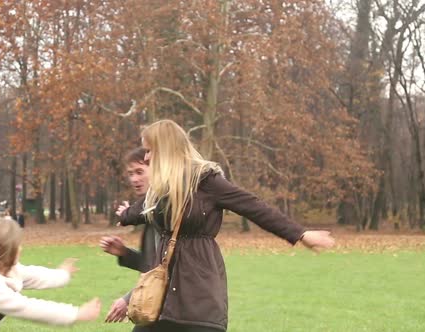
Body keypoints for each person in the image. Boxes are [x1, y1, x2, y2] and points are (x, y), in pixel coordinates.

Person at [117, 119, 335, 332]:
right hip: (161, 301)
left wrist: (300, 234)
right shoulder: (161, 191)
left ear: (165, 149)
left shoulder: (206, 182)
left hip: (199, 299)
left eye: (149, 150)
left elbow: (253, 207)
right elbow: (141, 210)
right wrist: (125, 215)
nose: (146, 157)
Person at [100, 147, 156, 323]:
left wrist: (128, 299)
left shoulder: (164, 213)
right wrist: (125, 253)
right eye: (131, 173)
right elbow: (153, 265)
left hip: (181, 311)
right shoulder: (152, 213)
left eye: (140, 172)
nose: (134, 179)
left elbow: (170, 268)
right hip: (163, 307)